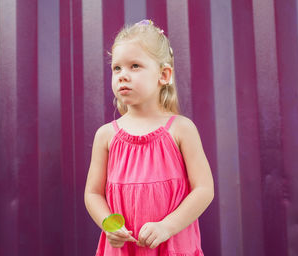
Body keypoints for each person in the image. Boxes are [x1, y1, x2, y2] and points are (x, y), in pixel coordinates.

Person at [84, 19, 214, 255]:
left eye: (135, 66)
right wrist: (107, 224)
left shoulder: (181, 130)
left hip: (173, 247)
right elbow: (93, 193)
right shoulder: (106, 136)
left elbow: (204, 189)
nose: (123, 75)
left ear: (163, 75)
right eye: (117, 68)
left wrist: (167, 226)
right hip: (124, 249)